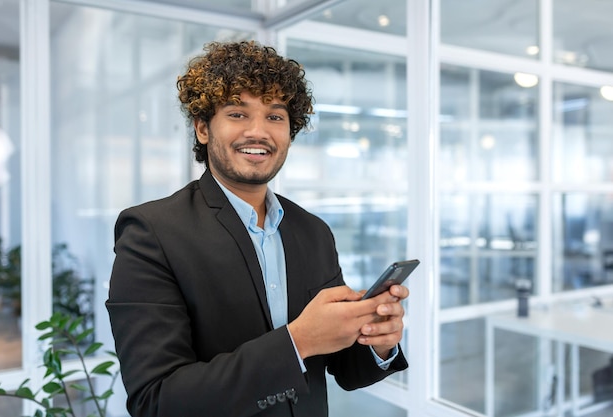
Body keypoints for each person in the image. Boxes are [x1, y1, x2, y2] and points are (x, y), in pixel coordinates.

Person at [106, 40, 409, 417]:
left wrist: (377, 342)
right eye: (237, 113)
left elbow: (344, 368)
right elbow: (157, 400)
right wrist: (296, 342)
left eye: (275, 116)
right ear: (202, 128)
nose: (258, 131)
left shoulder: (313, 231)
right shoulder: (151, 233)